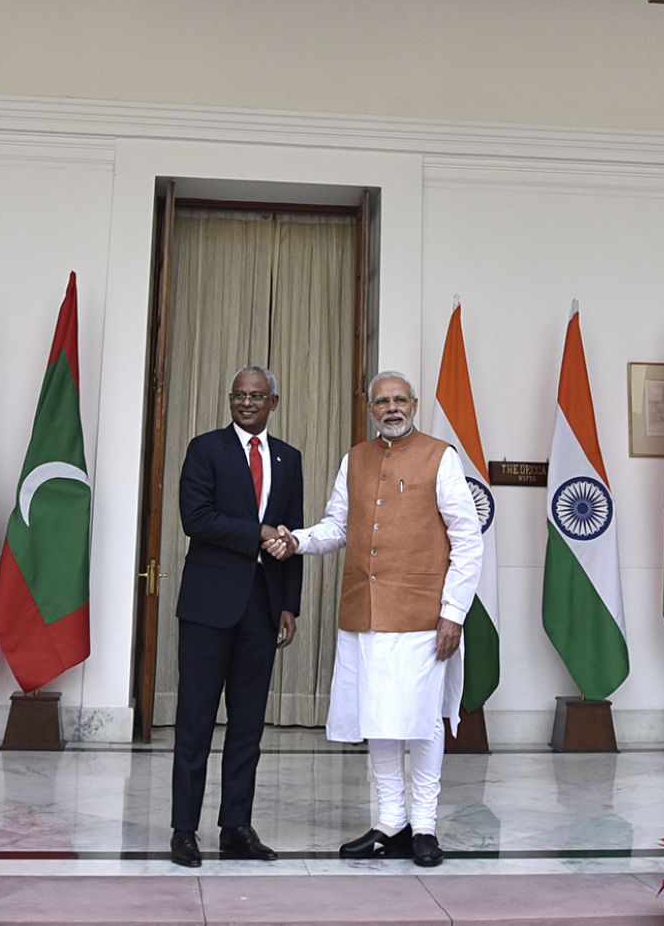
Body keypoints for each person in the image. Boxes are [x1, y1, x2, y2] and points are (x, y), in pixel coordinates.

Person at [265, 371, 482, 867]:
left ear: (414, 403)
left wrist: (453, 613)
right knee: (378, 719)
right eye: (382, 401)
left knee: (423, 722)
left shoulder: (440, 456)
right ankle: (391, 822)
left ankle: (424, 825)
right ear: (369, 407)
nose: (392, 408)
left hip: (425, 617)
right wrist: (296, 539)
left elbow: (468, 539)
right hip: (365, 613)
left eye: (400, 399)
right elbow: (337, 527)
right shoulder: (355, 459)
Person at [169, 366, 304, 868]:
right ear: (230, 400)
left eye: (257, 396)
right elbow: (195, 519)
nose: (247, 403)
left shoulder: (289, 458)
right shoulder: (205, 449)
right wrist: (257, 532)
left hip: (262, 609)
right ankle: (184, 829)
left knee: (248, 725)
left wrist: (289, 603)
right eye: (239, 396)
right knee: (195, 721)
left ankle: (236, 827)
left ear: (274, 400)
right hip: (207, 607)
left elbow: (294, 535)